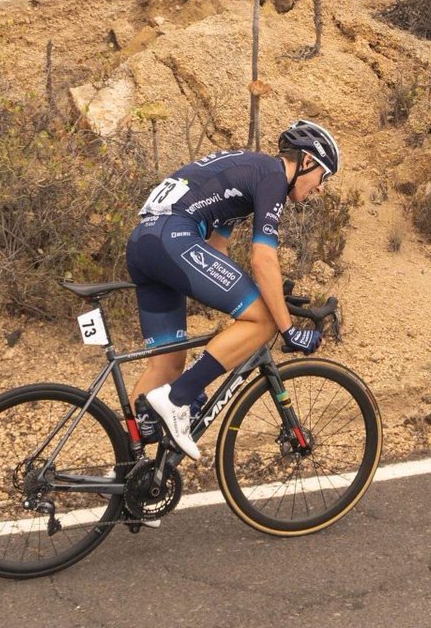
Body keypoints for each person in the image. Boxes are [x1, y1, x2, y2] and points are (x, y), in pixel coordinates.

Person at [125, 119, 341, 461]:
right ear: (307, 161)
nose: (320, 188)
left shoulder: (248, 171)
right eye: (323, 176)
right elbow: (263, 259)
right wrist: (288, 328)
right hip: (172, 238)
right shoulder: (273, 176)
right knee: (264, 322)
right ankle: (178, 399)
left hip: (144, 243)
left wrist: (263, 296)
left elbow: (217, 249)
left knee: (165, 368)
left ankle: (129, 473)